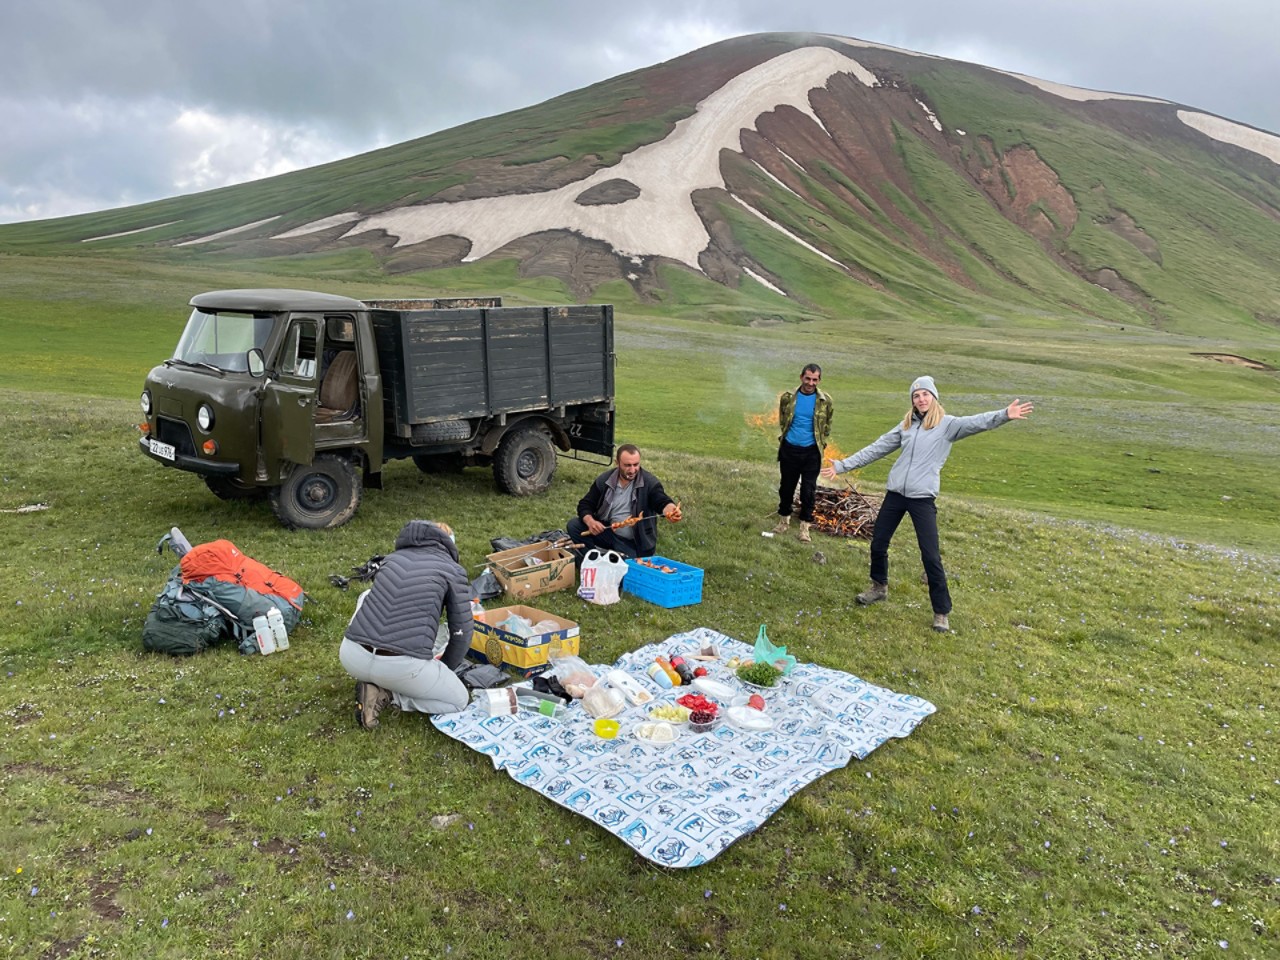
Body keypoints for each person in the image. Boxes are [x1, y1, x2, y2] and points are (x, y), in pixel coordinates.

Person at [821, 376, 1033, 633]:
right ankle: (879, 588)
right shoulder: (906, 425)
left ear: (934, 397)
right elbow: (877, 448)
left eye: (925, 394)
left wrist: (1004, 415)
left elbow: (978, 422)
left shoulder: (948, 425)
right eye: (916, 395)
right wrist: (842, 465)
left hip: (922, 498)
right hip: (896, 494)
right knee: (878, 543)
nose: (921, 399)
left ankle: (941, 612)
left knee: (930, 555)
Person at [339, 519, 472, 727]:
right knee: (459, 700)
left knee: (367, 594)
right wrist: (444, 670)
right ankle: (389, 695)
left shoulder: (391, 559)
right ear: (449, 543)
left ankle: (376, 682)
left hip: (351, 657)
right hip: (401, 668)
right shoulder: (453, 570)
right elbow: (462, 633)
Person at [567, 443, 681, 560]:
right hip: (609, 532)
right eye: (627, 465)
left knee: (626, 574)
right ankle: (592, 562)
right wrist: (591, 522)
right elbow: (585, 504)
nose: (632, 470)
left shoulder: (649, 482)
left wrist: (671, 509)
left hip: (634, 543)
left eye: (636, 465)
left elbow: (661, 500)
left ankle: (616, 558)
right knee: (574, 526)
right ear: (617, 463)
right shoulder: (605, 479)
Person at [773, 363, 834, 543]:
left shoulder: (825, 401)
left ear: (819, 380)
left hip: (812, 453)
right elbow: (783, 420)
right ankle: (783, 521)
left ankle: (804, 528)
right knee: (786, 487)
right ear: (801, 377)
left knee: (809, 490)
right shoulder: (789, 398)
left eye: (815, 379)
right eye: (808, 378)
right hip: (790, 449)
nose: (810, 383)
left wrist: (820, 444)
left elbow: (827, 425)